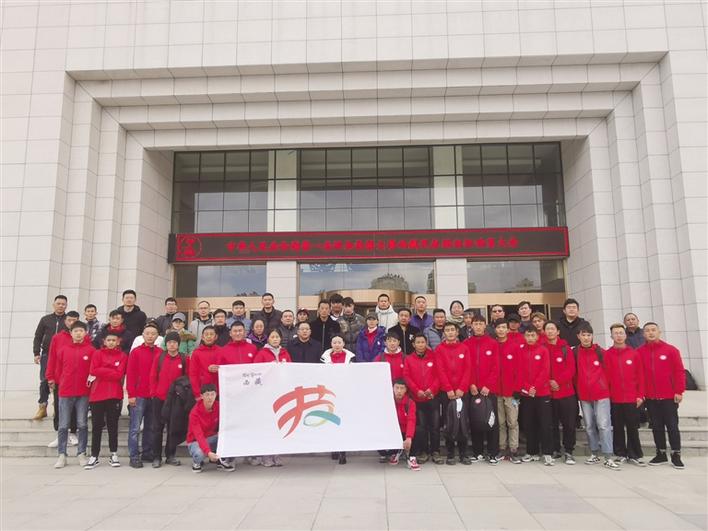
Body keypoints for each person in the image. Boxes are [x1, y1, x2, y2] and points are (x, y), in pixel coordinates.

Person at [638, 322, 685, 469]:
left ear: (659, 332)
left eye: (653, 330)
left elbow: (679, 371)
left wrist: (679, 391)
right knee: (656, 427)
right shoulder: (639, 352)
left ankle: (676, 454)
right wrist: (641, 394)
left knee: (672, 426)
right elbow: (639, 375)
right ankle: (661, 453)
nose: (651, 333)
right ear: (643, 334)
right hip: (651, 398)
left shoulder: (671, 350)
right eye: (647, 331)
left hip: (669, 397)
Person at [47, 320, 93, 469]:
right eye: (75, 331)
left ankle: (81, 454)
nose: (78, 333)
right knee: (63, 425)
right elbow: (57, 368)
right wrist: (54, 380)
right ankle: (62, 455)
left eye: (81, 331)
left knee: (82, 424)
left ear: (85, 333)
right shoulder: (63, 350)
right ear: (71, 333)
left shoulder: (91, 350)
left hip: (83, 393)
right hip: (65, 392)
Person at [574, 323, 620, 470]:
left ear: (592, 336)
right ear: (578, 336)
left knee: (603, 425)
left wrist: (605, 387)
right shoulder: (575, 352)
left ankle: (608, 456)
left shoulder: (601, 352)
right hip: (584, 394)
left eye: (589, 335)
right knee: (589, 425)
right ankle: (594, 453)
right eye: (583, 335)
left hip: (601, 393)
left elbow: (610, 372)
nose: (586, 338)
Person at [84, 331, 127, 469]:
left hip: (114, 394)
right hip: (97, 394)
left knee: (112, 426)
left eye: (114, 340)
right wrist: (111, 369)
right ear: (104, 341)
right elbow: (93, 370)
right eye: (109, 340)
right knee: (96, 426)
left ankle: (113, 453)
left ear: (118, 342)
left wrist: (103, 370)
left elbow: (119, 374)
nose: (111, 342)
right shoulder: (97, 354)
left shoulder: (122, 356)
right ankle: (94, 455)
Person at [605, 323, 646, 466]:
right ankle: (620, 453)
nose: (619, 336)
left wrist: (640, 395)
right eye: (615, 333)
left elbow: (640, 376)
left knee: (632, 427)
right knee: (617, 427)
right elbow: (606, 377)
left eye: (621, 333)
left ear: (625, 335)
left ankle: (634, 454)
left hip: (631, 397)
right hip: (614, 398)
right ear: (611, 336)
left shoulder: (634, 353)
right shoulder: (607, 354)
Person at [464, 314, 500, 464]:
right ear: (471, 326)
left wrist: (488, 385)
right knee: (475, 420)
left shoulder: (493, 343)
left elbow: (496, 367)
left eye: (480, 324)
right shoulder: (466, 344)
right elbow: (466, 367)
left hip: (489, 390)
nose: (478, 326)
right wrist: (471, 384)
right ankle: (477, 452)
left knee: (492, 420)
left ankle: (493, 453)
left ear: (485, 325)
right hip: (473, 389)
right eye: (475, 324)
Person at [435, 322, 472, 465]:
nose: (450, 332)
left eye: (452, 330)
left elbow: (468, 369)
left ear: (457, 332)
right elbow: (440, 370)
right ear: (444, 333)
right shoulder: (440, 349)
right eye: (447, 330)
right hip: (447, 393)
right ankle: (450, 453)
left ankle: (464, 453)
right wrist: (448, 388)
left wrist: (462, 388)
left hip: (462, 392)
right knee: (449, 422)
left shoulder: (464, 348)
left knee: (463, 422)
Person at [150, 331, 188, 468]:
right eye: (169, 342)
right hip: (160, 398)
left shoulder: (184, 359)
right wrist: (153, 393)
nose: (172, 345)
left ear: (178, 344)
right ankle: (156, 457)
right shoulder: (159, 357)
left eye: (174, 342)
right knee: (157, 428)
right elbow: (153, 376)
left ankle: (170, 455)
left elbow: (187, 379)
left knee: (173, 428)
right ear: (166, 344)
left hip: (176, 400)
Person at [45, 311, 83, 447]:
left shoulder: (84, 337)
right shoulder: (57, 338)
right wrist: (50, 377)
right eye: (69, 320)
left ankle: (72, 432)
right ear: (65, 321)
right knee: (59, 406)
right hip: (60, 379)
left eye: (74, 320)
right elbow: (52, 358)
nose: (71, 323)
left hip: (78, 380)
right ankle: (60, 434)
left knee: (74, 407)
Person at [254, 329, 291, 467]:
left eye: (277, 337)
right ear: (268, 339)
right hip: (266, 394)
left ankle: (277, 454)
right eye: (272, 337)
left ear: (280, 339)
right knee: (267, 425)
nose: (275, 339)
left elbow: (291, 370)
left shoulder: (285, 353)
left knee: (279, 425)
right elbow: (256, 371)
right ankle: (266, 455)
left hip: (281, 393)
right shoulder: (262, 353)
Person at [126, 322, 161, 468]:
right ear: (143, 335)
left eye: (153, 334)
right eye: (147, 333)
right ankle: (134, 456)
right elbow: (131, 374)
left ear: (157, 336)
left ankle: (147, 452)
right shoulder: (136, 352)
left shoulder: (160, 352)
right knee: (135, 427)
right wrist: (131, 394)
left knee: (150, 426)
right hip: (139, 394)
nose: (150, 336)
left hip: (154, 395)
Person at [404, 334, 442, 464]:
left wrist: (432, 389)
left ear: (426, 343)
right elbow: (407, 377)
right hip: (417, 399)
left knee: (435, 426)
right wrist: (417, 390)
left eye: (422, 342)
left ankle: (436, 451)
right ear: (413, 344)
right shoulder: (409, 359)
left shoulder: (434, 356)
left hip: (432, 397)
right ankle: (424, 451)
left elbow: (439, 375)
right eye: (418, 342)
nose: (420, 345)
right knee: (422, 426)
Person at [518, 327, 554, 466]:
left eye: (533, 335)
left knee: (545, 424)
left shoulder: (543, 350)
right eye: (528, 335)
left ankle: (547, 453)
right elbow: (519, 371)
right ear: (524, 337)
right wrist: (528, 388)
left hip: (542, 393)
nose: (530, 338)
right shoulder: (521, 351)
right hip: (526, 393)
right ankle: (531, 452)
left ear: (537, 337)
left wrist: (535, 387)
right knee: (529, 424)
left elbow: (545, 370)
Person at [544, 320, 577, 465]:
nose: (550, 331)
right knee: (551, 424)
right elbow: (540, 368)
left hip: (566, 392)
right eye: (547, 329)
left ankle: (569, 451)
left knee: (568, 424)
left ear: (558, 332)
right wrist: (549, 382)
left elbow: (571, 369)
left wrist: (558, 381)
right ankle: (555, 449)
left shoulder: (565, 348)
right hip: (548, 392)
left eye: (552, 329)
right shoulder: (542, 348)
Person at [320, 335, 355, 465]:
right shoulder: (324, 358)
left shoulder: (351, 357)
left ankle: (343, 451)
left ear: (343, 344)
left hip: (346, 393)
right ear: (331, 344)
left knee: (343, 422)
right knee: (331, 421)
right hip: (330, 393)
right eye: (334, 342)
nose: (337, 345)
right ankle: (333, 447)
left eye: (339, 342)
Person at [32, 294, 67, 420]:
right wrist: (36, 353)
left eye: (63, 304)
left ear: (66, 306)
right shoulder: (45, 319)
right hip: (47, 354)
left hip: (63, 356)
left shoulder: (68, 320)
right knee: (45, 380)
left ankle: (57, 406)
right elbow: (38, 336)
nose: (61, 306)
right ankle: (42, 406)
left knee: (61, 380)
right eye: (58, 303)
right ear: (54, 305)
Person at [187, 383, 234, 473]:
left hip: (211, 437)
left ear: (216, 395)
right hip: (195, 441)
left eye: (212, 394)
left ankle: (220, 461)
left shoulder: (219, 406)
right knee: (199, 454)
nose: (210, 397)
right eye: (207, 395)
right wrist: (208, 452)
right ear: (201, 396)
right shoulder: (194, 413)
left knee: (229, 438)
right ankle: (197, 462)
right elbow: (199, 435)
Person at [494, 319, 521, 463]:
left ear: (507, 329)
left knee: (512, 422)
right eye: (498, 327)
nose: (501, 330)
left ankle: (514, 449)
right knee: (501, 423)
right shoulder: (493, 346)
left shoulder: (514, 346)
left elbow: (520, 369)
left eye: (503, 327)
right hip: (497, 391)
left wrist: (517, 389)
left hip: (511, 392)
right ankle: (502, 448)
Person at [379, 379, 420, 470]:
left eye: (402, 388)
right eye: (396, 388)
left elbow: (411, 420)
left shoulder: (410, 403)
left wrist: (408, 437)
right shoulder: (388, 401)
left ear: (405, 390)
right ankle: (397, 451)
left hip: (405, 430)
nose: (399, 391)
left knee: (418, 430)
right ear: (392, 389)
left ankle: (412, 457)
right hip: (393, 431)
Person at [189, 326, 221, 399]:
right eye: (206, 334)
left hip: (219, 391)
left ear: (216, 337)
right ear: (202, 337)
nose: (209, 336)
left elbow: (226, 369)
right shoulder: (196, 353)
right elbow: (193, 374)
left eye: (211, 334)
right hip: (203, 392)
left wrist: (219, 369)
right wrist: (197, 393)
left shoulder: (221, 351)